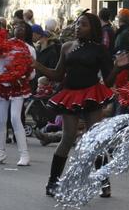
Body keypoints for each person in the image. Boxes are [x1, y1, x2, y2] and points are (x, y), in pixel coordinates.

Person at [36, 12, 120, 196]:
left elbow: (108, 81)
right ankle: (53, 182)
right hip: (70, 95)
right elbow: (58, 75)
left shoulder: (100, 50)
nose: (77, 27)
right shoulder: (66, 47)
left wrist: (118, 67)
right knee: (67, 138)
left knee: (95, 140)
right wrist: (36, 65)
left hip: (91, 94)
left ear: (93, 29)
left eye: (83, 25)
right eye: (77, 24)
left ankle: (103, 182)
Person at [0, 20, 35, 166]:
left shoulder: (29, 49)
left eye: (22, 28)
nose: (19, 30)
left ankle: (24, 155)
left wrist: (23, 76)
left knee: (14, 118)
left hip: (18, 87)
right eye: (16, 27)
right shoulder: (4, 45)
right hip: (1, 85)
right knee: (0, 120)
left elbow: (32, 72)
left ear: (26, 32)